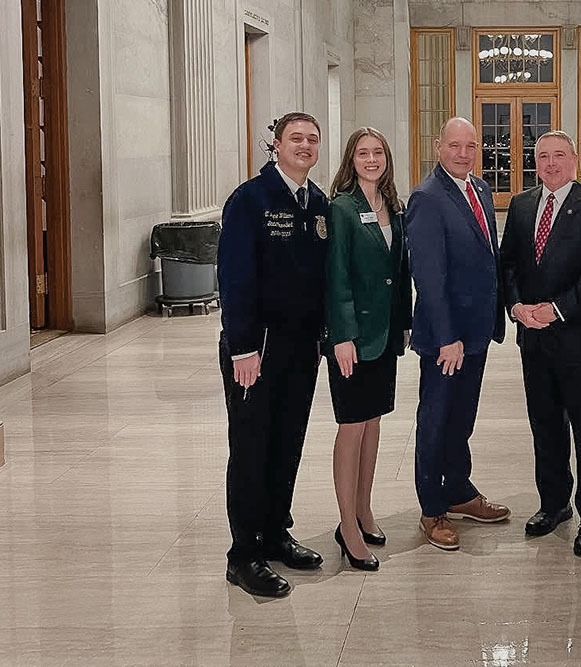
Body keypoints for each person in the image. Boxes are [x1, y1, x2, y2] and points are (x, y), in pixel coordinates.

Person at [218, 112, 328, 597]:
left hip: (302, 349)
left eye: (312, 140)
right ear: (276, 145)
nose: (304, 146)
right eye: (296, 139)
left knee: (287, 441)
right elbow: (235, 278)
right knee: (251, 447)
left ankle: (275, 533)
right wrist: (242, 346)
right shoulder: (250, 200)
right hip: (256, 351)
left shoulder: (317, 203)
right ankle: (244, 554)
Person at [499, 130, 581, 558]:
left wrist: (557, 309)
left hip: (578, 337)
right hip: (532, 336)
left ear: (575, 159)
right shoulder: (522, 203)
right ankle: (553, 504)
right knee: (544, 423)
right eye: (542, 156)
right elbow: (508, 261)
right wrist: (516, 307)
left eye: (559, 155)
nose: (550, 163)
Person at [406, 117, 509, 550]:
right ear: (438, 146)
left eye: (471, 145)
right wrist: (448, 337)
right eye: (455, 145)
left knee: (462, 418)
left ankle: (460, 491)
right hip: (446, 338)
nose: (464, 153)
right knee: (435, 420)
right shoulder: (427, 198)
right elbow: (428, 276)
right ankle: (432, 510)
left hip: (476, 331)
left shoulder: (481, 190)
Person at [325, 127, 412, 571]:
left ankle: (364, 509)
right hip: (352, 340)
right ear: (351, 159)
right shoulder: (341, 209)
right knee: (351, 427)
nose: (372, 159)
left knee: (373, 424)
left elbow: (400, 273)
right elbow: (335, 275)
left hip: (385, 338)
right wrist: (340, 336)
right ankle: (346, 526)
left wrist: (403, 325)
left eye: (378, 152)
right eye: (363, 153)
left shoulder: (394, 208)